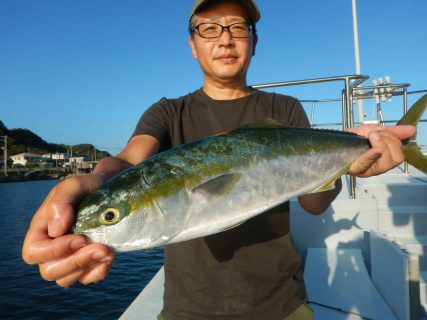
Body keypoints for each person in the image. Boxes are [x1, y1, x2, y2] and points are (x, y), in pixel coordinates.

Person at [22, 0, 415, 319]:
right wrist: (94, 185)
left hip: (281, 304)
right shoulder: (167, 113)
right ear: (192, 45)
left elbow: (313, 203)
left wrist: (351, 163)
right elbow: (127, 162)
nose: (225, 39)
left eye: (238, 27)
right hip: (187, 308)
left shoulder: (285, 108)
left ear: (255, 41)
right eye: (209, 28)